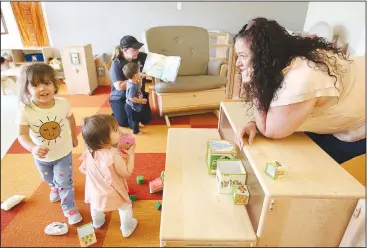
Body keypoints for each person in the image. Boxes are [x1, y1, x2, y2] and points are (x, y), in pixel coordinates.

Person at [234, 17, 365, 164]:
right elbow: (273, 108)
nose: (237, 63)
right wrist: (254, 124)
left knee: (318, 169)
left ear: (263, 57)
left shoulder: (302, 76)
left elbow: (269, 130)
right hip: (347, 105)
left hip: (359, 120)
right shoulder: (283, 60)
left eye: (242, 56)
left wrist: (255, 83)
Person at [16, 63, 82, 224]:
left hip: (63, 153)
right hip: (42, 157)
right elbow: (22, 135)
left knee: (65, 183)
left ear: (54, 84)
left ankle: (69, 207)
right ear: (27, 89)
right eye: (35, 85)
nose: (42, 88)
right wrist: (34, 148)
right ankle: (54, 186)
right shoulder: (26, 109)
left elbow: (71, 118)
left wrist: (74, 136)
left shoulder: (62, 104)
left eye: (46, 83)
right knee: (48, 178)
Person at [79, 114, 138, 237]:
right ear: (102, 141)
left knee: (95, 207)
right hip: (112, 192)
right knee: (125, 208)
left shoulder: (89, 149)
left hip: (94, 190)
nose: (120, 131)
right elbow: (126, 172)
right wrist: (131, 154)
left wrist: (117, 139)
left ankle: (97, 222)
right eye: (116, 130)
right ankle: (127, 228)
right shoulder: (113, 155)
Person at [109, 35, 151, 127]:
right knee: (124, 123)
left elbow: (156, 61)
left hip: (138, 94)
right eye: (134, 49)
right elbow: (119, 86)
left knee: (146, 119)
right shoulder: (117, 64)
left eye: (138, 49)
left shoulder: (142, 57)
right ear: (125, 50)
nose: (138, 51)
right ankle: (116, 113)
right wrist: (136, 77)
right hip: (121, 97)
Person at [123, 62, 148, 134]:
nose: (140, 74)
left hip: (129, 105)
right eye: (139, 73)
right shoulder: (133, 86)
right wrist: (141, 101)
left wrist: (140, 81)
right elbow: (131, 98)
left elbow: (139, 87)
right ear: (135, 76)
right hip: (132, 106)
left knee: (131, 118)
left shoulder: (130, 82)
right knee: (135, 119)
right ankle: (136, 131)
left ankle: (132, 126)